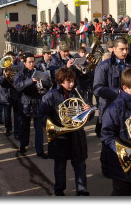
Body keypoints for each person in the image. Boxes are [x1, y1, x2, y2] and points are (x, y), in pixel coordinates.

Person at [38, 67, 92, 196]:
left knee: (80, 164)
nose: (72, 84)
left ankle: (82, 190)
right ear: (61, 81)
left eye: (73, 81)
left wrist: (88, 110)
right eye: (68, 81)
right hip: (60, 137)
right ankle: (59, 189)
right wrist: (56, 125)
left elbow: (87, 116)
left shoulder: (78, 93)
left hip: (77, 135)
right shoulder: (51, 95)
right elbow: (42, 116)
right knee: (60, 166)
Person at [93, 37, 131, 176]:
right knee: (108, 141)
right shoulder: (104, 65)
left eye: (126, 49)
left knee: (127, 137)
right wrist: (117, 92)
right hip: (109, 108)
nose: (124, 52)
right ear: (114, 49)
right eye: (121, 49)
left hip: (128, 108)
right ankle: (106, 167)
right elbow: (97, 88)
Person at [13, 53, 51, 157]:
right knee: (24, 126)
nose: (32, 64)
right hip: (25, 103)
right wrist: (31, 80)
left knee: (39, 128)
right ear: (24, 63)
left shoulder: (38, 71)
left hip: (37, 102)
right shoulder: (20, 74)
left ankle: (40, 150)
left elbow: (48, 84)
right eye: (29, 62)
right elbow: (17, 86)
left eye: (33, 61)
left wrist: (45, 82)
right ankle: (23, 145)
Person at [0, 51, 21, 138]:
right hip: (5, 95)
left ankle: (17, 132)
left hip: (16, 94)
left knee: (17, 115)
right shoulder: (0, 68)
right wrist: (4, 76)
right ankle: (8, 129)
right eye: (9, 58)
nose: (11, 60)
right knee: (7, 115)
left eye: (13, 58)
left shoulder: (18, 67)